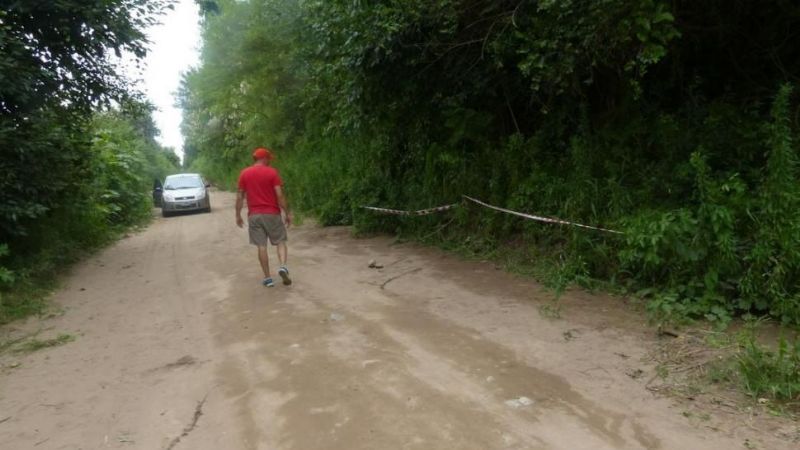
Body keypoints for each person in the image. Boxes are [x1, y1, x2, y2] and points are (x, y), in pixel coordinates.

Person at [236, 147, 293, 287]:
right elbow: (279, 195)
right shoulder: (272, 172)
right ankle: (283, 266)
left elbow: (240, 197)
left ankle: (268, 278)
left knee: (261, 246)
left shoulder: (244, 173)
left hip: (254, 215)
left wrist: (238, 215)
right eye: (268, 159)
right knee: (280, 241)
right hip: (272, 214)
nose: (269, 161)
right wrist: (287, 212)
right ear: (264, 158)